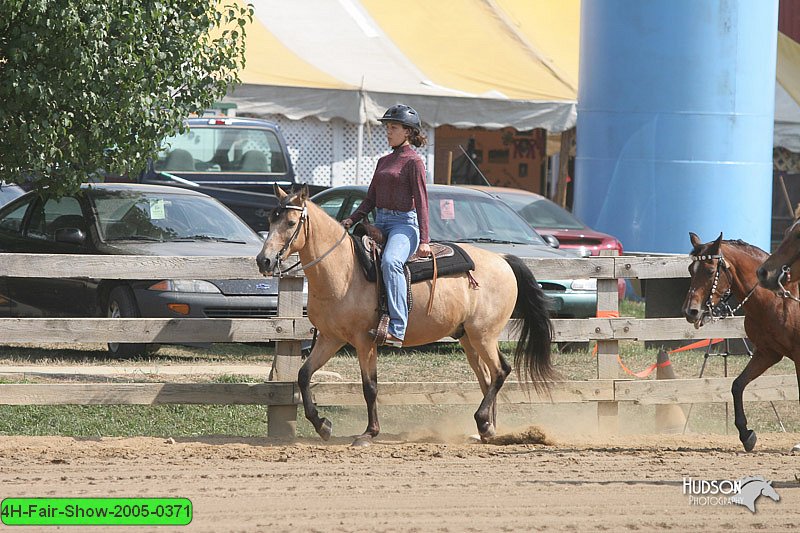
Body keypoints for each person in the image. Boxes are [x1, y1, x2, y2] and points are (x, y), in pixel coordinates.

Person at [342, 104, 431, 347]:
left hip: (405, 225)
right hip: (380, 222)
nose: (388, 131)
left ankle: (397, 328)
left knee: (391, 262)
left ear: (408, 132)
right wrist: (352, 219)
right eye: (387, 127)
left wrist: (424, 240)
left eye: (393, 127)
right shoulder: (383, 161)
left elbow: (422, 202)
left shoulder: (414, 162)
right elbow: (370, 199)